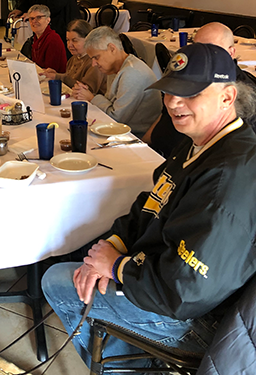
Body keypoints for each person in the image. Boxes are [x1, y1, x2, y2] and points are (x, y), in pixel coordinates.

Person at [42, 42, 256, 369]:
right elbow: (151, 204)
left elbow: (187, 290)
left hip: (193, 318)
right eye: (169, 91)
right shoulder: (201, 142)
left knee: (57, 281)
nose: (173, 102)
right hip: (159, 274)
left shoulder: (228, 176)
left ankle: (129, 365)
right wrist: (112, 246)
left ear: (227, 97)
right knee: (82, 258)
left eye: (189, 94)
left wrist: (116, 267)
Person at [144, 22, 256, 158]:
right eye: (196, 47)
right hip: (160, 156)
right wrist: (142, 145)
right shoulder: (185, 76)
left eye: (211, 49)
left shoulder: (243, 94)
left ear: (231, 52)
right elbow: (164, 115)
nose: (199, 55)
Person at [78, 26, 161, 136]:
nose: (93, 64)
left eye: (96, 57)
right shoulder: (115, 67)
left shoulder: (132, 73)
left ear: (112, 48)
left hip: (136, 136)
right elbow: (109, 102)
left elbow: (116, 119)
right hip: (123, 131)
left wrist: (92, 98)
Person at [43, 19, 106, 96]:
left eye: (75, 40)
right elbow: (70, 78)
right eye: (68, 40)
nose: (70, 45)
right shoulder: (74, 58)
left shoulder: (94, 62)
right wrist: (56, 74)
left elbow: (85, 89)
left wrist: (58, 77)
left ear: (88, 40)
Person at [27, 5, 67, 73]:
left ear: (48, 20)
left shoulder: (53, 39)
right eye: (31, 18)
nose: (34, 21)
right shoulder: (36, 38)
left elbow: (51, 70)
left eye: (38, 17)